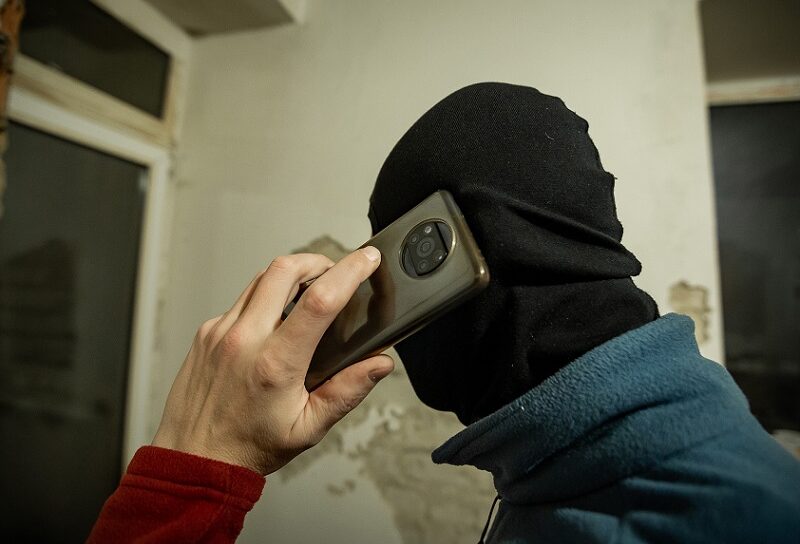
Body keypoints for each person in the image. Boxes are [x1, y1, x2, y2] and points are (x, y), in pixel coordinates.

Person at [88, 83, 800, 543]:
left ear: (504, 240)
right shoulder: (561, 471)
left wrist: (194, 474)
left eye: (402, 249)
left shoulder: (745, 519)